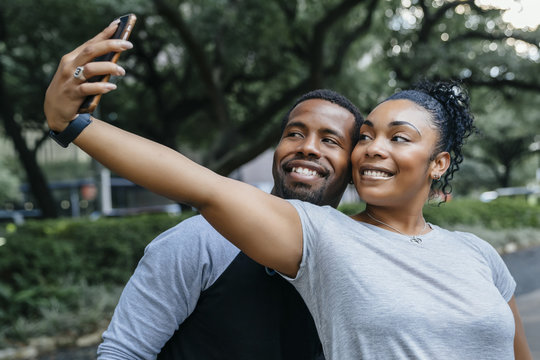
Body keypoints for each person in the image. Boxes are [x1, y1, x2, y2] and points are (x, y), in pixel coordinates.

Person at [45, 22, 532, 359]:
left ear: (438, 163)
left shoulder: (478, 254)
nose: (372, 149)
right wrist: (72, 125)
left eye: (398, 138)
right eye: (366, 137)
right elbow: (201, 185)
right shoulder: (323, 236)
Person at [96, 87, 363, 359]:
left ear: (354, 168)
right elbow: (122, 353)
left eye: (330, 140)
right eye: (295, 134)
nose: (307, 147)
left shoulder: (355, 264)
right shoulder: (199, 241)